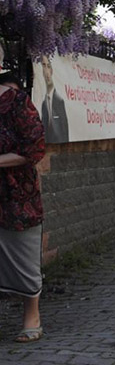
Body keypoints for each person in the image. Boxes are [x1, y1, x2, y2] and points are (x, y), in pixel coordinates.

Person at [0, 69, 47, 343]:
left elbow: (34, 149)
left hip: (16, 193)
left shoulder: (17, 102)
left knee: (22, 251)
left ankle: (33, 318)